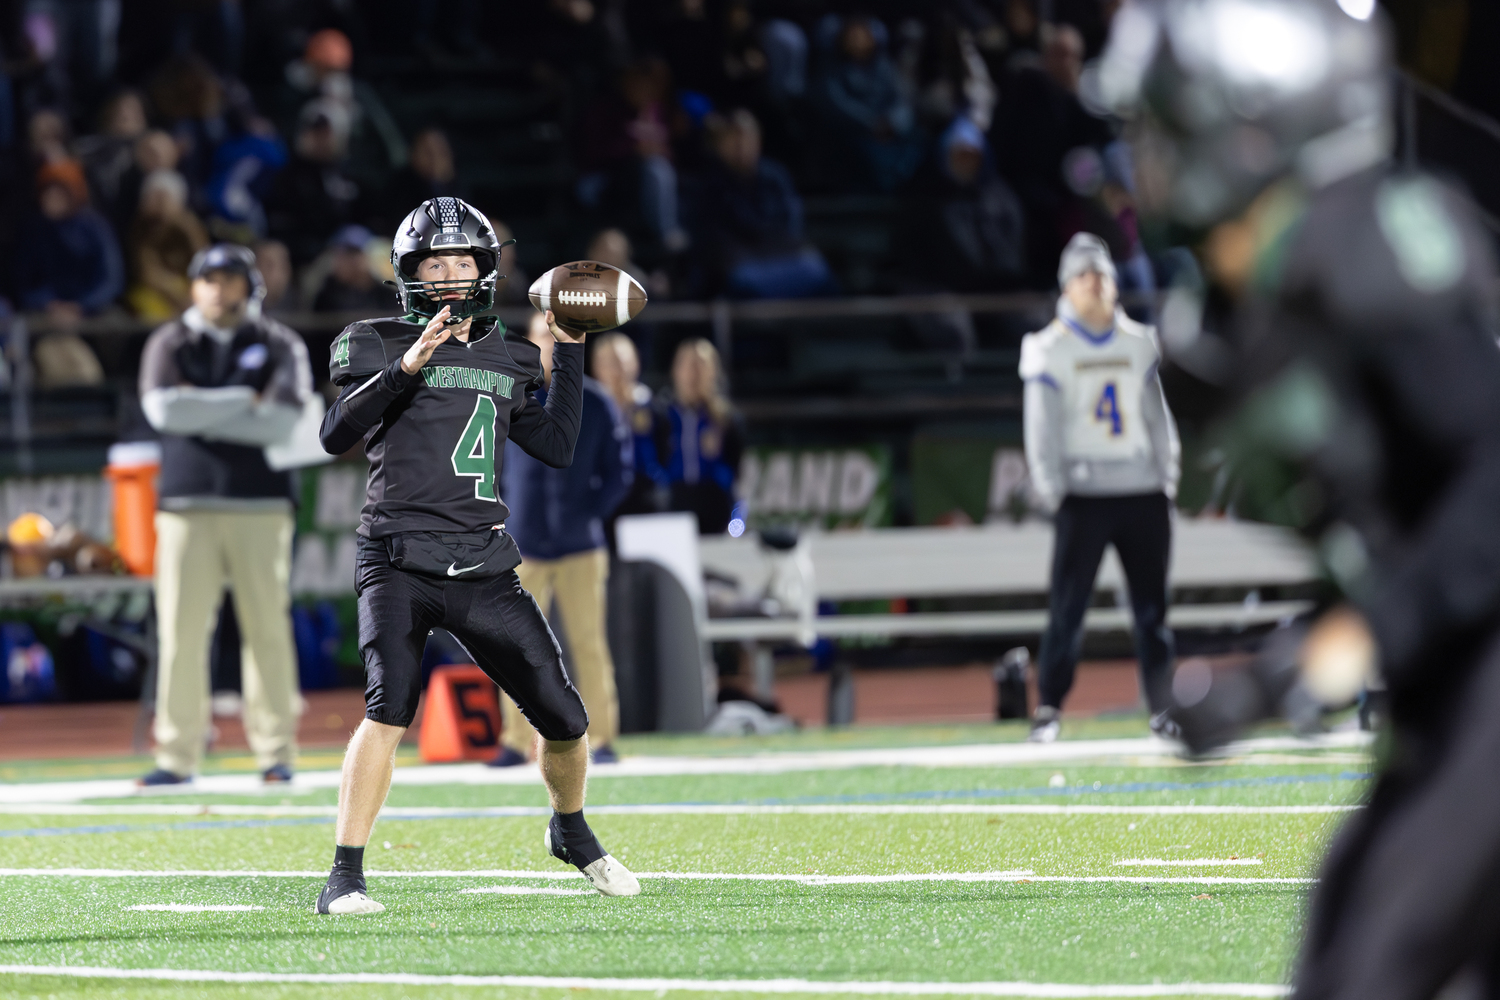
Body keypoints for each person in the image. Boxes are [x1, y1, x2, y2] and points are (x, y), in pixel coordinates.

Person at [1092, 0, 1500, 993]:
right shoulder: (1278, 289)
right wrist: (1277, 674)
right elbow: (1414, 525)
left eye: (1168, 130)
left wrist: (1368, 630)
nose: (1148, 164)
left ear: (1243, 127)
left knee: (1367, 957)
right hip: (1458, 685)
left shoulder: (1360, 255)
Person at [315, 197, 638, 914]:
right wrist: (406, 366)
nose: (453, 273)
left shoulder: (511, 354)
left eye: (464, 261)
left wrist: (573, 353)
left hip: (483, 560)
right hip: (397, 557)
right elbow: (335, 433)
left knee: (565, 718)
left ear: (486, 270)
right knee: (387, 709)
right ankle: (344, 874)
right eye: (437, 261)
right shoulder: (370, 340)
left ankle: (572, 832)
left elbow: (554, 447)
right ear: (410, 272)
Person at [135, 244, 312, 787]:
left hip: (261, 504)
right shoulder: (170, 340)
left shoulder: (278, 341)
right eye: (207, 279)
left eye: (228, 279)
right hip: (186, 507)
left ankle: (276, 751)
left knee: (268, 632)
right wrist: (243, 401)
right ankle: (177, 755)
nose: (217, 289)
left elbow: (281, 421)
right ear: (193, 287)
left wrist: (202, 409)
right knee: (181, 633)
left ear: (249, 286)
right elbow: (164, 410)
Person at [1019, 232, 1180, 743]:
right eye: (1084, 276)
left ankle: (1162, 709)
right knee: (1067, 610)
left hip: (1140, 491)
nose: (1095, 284)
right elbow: (1039, 427)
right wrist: (1052, 488)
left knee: (1152, 611)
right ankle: (1048, 708)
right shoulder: (1047, 348)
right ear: (1066, 287)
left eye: (1102, 275)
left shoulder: (1138, 342)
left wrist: (1167, 473)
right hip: (1084, 495)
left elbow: (1157, 415)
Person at [491, 311, 633, 768]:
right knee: (514, 647)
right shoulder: (511, 397)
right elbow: (488, 465)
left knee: (589, 644)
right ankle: (515, 742)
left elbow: (620, 471)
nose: (548, 346)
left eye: (556, 337)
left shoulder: (596, 400)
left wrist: (589, 513)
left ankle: (604, 738)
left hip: (580, 546)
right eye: (540, 337)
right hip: (522, 541)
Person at [693, 109, 836, 299]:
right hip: (740, 263)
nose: (741, 145)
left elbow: (791, 225)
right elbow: (715, 240)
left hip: (779, 256)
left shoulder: (776, 177)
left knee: (817, 272)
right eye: (733, 139)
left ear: (758, 141)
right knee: (741, 282)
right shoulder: (710, 185)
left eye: (746, 138)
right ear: (719, 145)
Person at [16, 160, 125, 319]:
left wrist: (82, 306)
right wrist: (48, 303)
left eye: (59, 193)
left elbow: (112, 278)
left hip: (92, 308)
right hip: (46, 310)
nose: (52, 198)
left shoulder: (95, 227)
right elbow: (24, 278)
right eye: (47, 192)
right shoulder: (34, 228)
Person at [657, 338, 742, 535]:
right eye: (687, 365)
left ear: (713, 371)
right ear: (675, 370)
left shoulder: (726, 419)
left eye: (700, 366)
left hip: (715, 504)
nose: (693, 374)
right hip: (673, 503)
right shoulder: (662, 415)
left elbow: (736, 466)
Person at [265, 100, 362, 266]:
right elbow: (284, 228)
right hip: (309, 260)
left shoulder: (348, 174)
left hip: (349, 254)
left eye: (326, 133)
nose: (320, 140)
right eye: (314, 132)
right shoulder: (288, 177)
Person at [125, 169, 210, 320]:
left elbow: (203, 262)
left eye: (163, 197)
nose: (158, 203)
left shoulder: (188, 226)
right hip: (156, 290)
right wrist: (176, 295)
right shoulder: (142, 228)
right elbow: (147, 272)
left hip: (188, 286)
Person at [312, 225, 391, 313]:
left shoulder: (385, 293)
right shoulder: (326, 295)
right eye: (338, 254)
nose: (341, 261)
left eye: (352, 253)